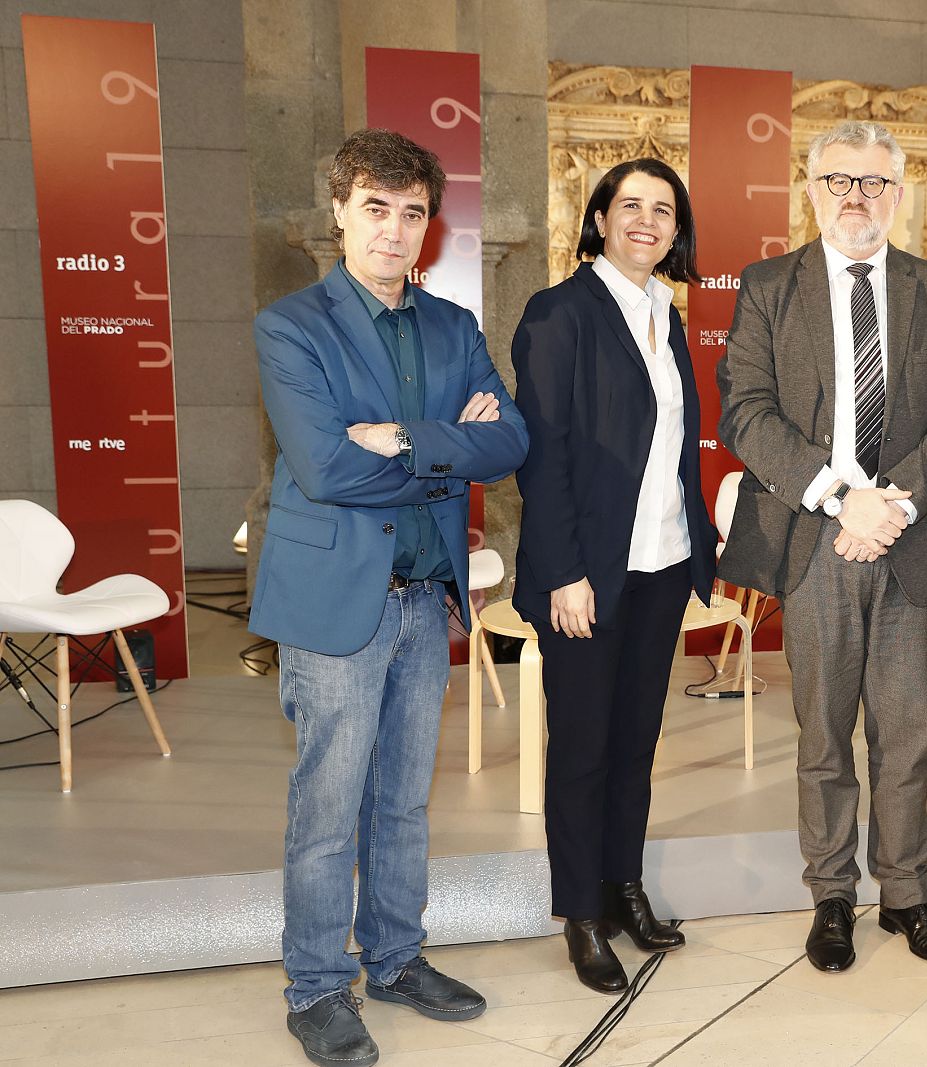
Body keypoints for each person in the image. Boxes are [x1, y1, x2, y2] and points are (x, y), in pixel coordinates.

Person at [251, 127, 529, 1067]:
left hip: (425, 599)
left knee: (404, 801)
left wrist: (401, 439)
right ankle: (319, 985)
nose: (395, 231)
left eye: (414, 213)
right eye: (377, 209)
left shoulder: (453, 327)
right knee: (328, 806)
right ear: (340, 212)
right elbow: (327, 467)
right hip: (336, 602)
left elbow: (512, 440)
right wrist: (448, 445)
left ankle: (399, 958)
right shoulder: (292, 325)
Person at [718, 120, 927, 974]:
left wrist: (893, 502)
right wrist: (843, 500)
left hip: (908, 538)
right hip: (816, 540)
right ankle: (831, 895)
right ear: (812, 189)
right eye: (840, 181)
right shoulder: (769, 286)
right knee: (824, 734)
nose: (857, 198)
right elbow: (745, 411)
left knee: (907, 731)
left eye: (874, 183)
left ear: (899, 195)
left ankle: (906, 895)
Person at [511, 158, 718, 995]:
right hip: (588, 576)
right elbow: (544, 454)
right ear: (599, 218)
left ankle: (623, 884)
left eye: (662, 209)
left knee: (636, 744)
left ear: (677, 229)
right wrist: (563, 571)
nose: (646, 219)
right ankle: (582, 913)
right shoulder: (560, 313)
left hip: (662, 565)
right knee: (584, 748)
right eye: (629, 205)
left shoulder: (668, 313)